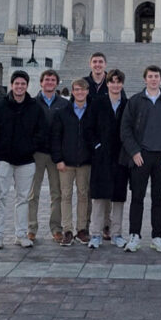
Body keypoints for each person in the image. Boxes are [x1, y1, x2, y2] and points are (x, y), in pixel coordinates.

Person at [0, 70, 49, 249]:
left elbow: (41, 132)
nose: (19, 87)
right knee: (0, 197)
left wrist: (30, 146)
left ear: (27, 86)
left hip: (26, 159)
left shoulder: (35, 107)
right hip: (3, 158)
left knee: (23, 199)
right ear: (11, 85)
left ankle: (20, 234)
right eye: (16, 83)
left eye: (23, 84)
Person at [120, 65, 161, 253]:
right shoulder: (135, 101)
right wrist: (134, 152)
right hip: (141, 155)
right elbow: (126, 129)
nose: (153, 79)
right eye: (150, 76)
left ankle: (156, 236)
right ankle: (134, 235)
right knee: (137, 197)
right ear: (145, 79)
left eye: (156, 76)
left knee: (158, 198)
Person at [84, 69, 130, 248]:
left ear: (122, 84)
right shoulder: (97, 103)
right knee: (98, 196)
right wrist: (97, 146)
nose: (116, 85)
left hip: (120, 157)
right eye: (113, 81)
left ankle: (116, 232)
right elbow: (89, 128)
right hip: (101, 157)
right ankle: (95, 233)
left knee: (118, 196)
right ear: (107, 83)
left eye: (119, 82)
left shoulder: (127, 104)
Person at [29, 69, 69, 244]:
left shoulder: (64, 104)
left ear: (57, 83)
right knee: (32, 194)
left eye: (53, 80)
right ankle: (31, 228)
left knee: (57, 193)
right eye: (47, 80)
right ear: (41, 82)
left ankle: (56, 228)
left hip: (55, 154)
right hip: (36, 153)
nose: (50, 82)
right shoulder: (32, 103)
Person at [51, 78, 92, 246]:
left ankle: (81, 229)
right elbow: (56, 138)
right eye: (76, 89)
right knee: (65, 196)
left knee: (84, 196)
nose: (80, 92)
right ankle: (67, 230)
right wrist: (58, 159)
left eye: (83, 89)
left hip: (85, 162)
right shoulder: (62, 112)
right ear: (72, 92)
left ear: (87, 91)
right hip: (66, 163)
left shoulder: (92, 112)